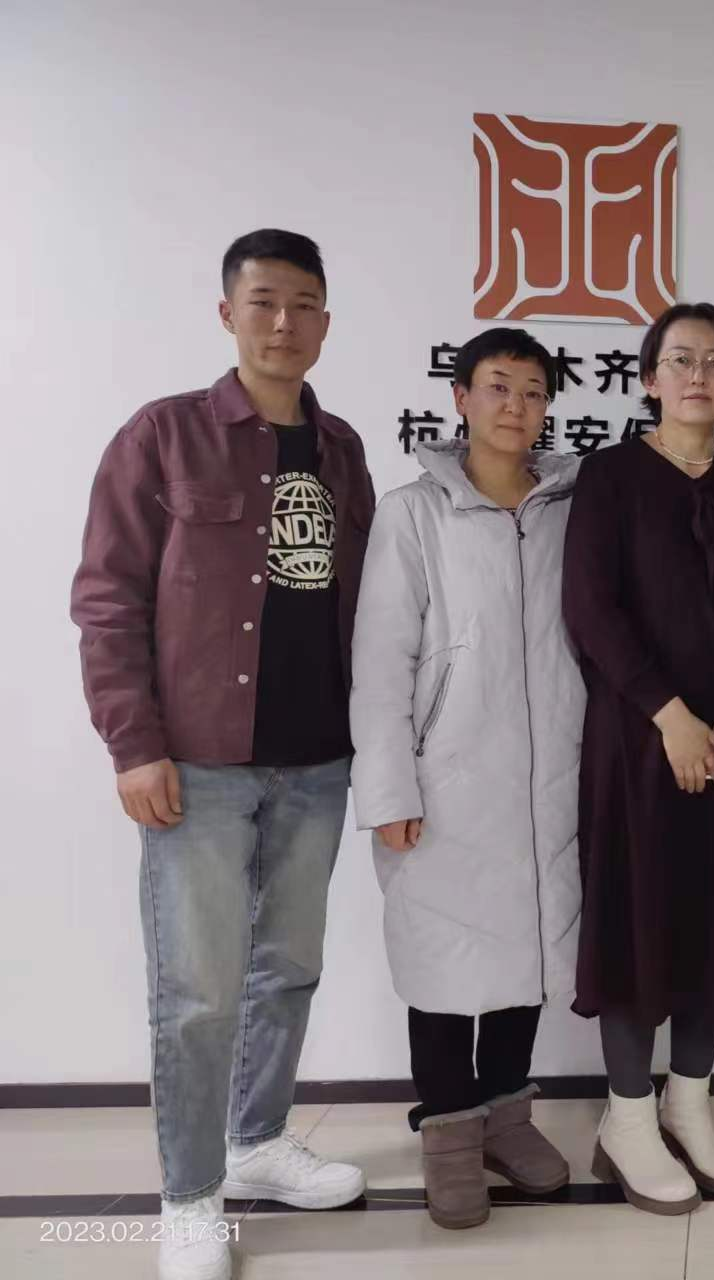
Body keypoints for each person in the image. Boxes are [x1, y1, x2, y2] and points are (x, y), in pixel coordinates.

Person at [70, 229, 369, 1280]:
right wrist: (133, 744)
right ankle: (190, 1195)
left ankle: (257, 1142)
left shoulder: (342, 450)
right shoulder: (163, 436)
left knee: (288, 969)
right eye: (264, 301)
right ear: (227, 313)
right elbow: (107, 599)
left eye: (304, 304)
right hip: (196, 765)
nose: (284, 323)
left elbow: (364, 607)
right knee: (197, 991)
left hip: (318, 762)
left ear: (325, 321)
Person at [349, 327, 583, 1230]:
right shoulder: (415, 512)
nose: (515, 406)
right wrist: (389, 788)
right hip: (445, 777)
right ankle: (449, 1133)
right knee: (444, 960)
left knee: (528, 950)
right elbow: (382, 659)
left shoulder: (570, 507)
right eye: (497, 386)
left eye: (532, 390)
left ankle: (507, 1117)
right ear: (460, 398)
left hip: (550, 773)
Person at [563, 301, 714, 1215]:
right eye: (681, 359)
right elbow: (591, 608)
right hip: (637, 742)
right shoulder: (610, 475)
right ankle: (626, 1118)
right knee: (637, 923)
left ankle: (687, 1107)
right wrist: (669, 715)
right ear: (650, 378)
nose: (699, 375)